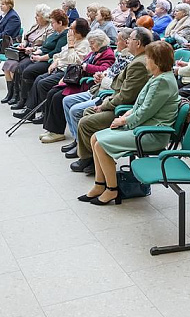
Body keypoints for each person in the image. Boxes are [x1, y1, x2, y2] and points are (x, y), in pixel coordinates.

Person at [79, 41, 180, 205]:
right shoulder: (158, 77)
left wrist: (123, 120)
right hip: (144, 127)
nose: (146, 60)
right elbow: (141, 105)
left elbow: (145, 111)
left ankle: (112, 189)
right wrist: (127, 113)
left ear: (157, 61)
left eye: (148, 58)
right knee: (95, 138)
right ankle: (99, 185)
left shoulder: (162, 81)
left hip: (151, 133)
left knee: (101, 145)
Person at [71, 27, 152, 174]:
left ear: (138, 43)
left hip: (125, 110)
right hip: (119, 102)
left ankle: (90, 159)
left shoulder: (139, 63)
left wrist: (105, 105)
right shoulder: (137, 59)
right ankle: (94, 158)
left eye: (130, 39)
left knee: (86, 122)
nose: (127, 42)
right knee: (87, 111)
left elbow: (126, 96)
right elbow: (121, 90)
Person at [61, 28, 134, 155]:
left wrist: (99, 76)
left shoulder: (119, 57)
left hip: (106, 94)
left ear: (127, 42)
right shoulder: (119, 54)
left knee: (74, 109)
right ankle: (77, 140)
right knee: (66, 100)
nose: (116, 43)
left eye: (118, 40)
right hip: (98, 89)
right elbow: (109, 71)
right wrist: (101, 75)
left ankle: (82, 147)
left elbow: (118, 85)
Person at [39, 30, 116, 143]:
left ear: (100, 42)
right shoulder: (95, 52)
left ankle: (57, 132)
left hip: (88, 84)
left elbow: (103, 69)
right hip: (79, 81)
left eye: (92, 43)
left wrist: (86, 67)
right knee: (52, 92)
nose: (90, 45)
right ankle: (51, 129)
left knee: (58, 97)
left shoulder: (108, 54)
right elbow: (81, 62)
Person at [13, 18, 91, 121]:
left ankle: (45, 114)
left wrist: (71, 46)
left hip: (68, 72)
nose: (70, 30)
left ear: (79, 31)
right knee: (38, 79)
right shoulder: (73, 39)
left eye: (72, 28)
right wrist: (55, 61)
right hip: (59, 67)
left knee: (43, 83)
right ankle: (29, 110)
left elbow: (74, 62)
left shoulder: (84, 44)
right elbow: (60, 53)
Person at [11, 9, 69, 110]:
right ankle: (19, 97)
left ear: (60, 23)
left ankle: (26, 101)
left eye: (53, 23)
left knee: (28, 71)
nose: (52, 25)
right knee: (20, 67)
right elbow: (45, 46)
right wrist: (35, 51)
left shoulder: (65, 35)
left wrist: (40, 58)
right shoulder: (56, 33)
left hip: (49, 60)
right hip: (42, 56)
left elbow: (56, 52)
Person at [1, 4, 52, 104]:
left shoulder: (49, 29)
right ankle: (10, 93)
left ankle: (18, 95)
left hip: (34, 53)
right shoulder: (35, 26)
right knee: (7, 64)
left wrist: (32, 49)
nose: (35, 17)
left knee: (16, 67)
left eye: (38, 15)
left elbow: (46, 46)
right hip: (24, 51)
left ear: (44, 17)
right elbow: (26, 38)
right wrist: (23, 44)